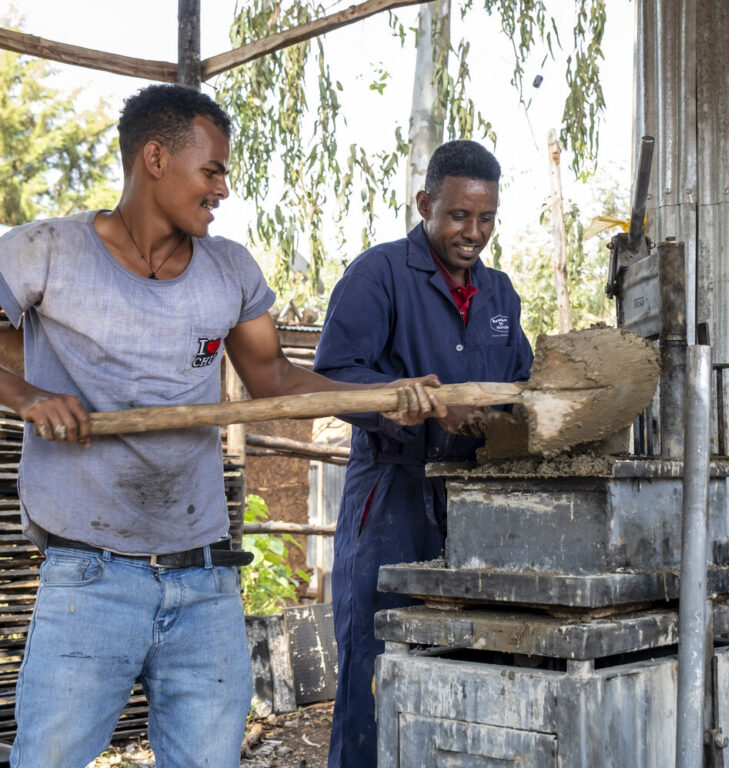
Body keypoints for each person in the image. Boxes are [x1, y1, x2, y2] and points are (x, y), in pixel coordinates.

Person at [0, 84, 444, 768]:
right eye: (211, 171)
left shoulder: (229, 269)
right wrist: (28, 393)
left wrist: (386, 396)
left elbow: (276, 381)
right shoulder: (46, 251)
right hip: (90, 576)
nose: (223, 189)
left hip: (204, 579)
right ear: (154, 158)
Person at [313, 139, 534, 767]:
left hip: (471, 503)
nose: (474, 232)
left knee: (465, 658)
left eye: (486, 218)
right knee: (376, 664)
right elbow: (332, 376)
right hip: (392, 493)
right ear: (424, 205)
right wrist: (401, 404)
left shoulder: (499, 294)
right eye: (459, 216)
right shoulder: (379, 273)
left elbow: (518, 384)